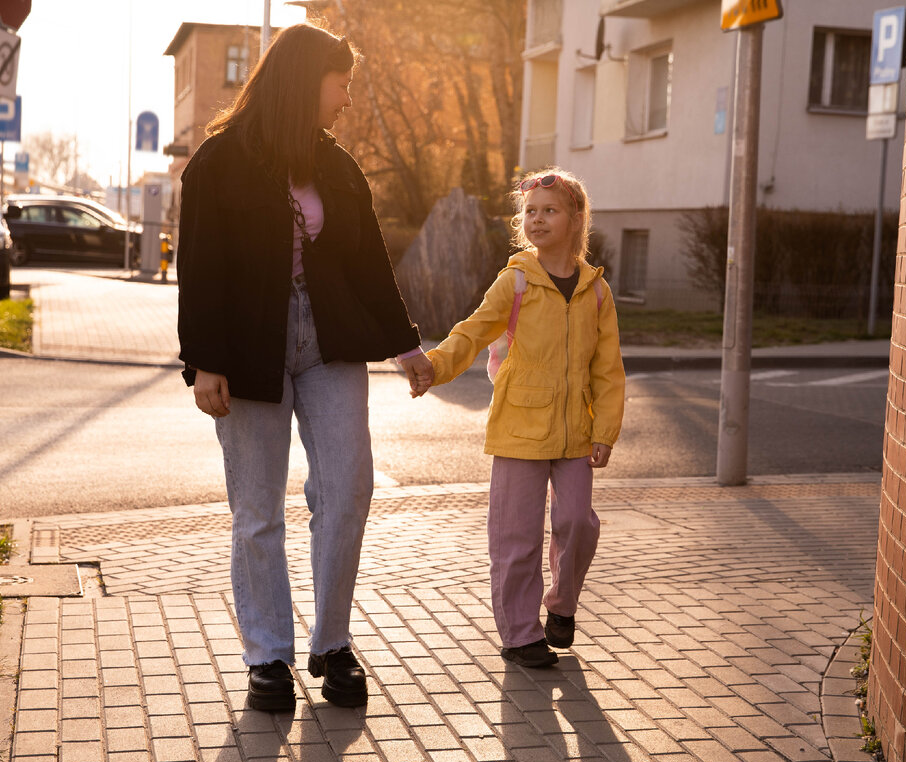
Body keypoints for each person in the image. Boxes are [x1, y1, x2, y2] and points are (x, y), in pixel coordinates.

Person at [176, 22, 433, 711]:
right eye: (340, 83)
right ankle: (267, 656)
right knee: (257, 510)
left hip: (329, 345)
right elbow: (198, 270)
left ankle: (332, 643)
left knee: (348, 489)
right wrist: (204, 362)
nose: (347, 99)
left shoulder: (337, 168)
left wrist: (407, 344)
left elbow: (370, 265)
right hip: (247, 350)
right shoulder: (220, 162)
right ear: (303, 81)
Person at [419, 169, 625, 668]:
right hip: (516, 429)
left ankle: (561, 603)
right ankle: (520, 635)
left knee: (578, 523)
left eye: (549, 210)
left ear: (576, 220)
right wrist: (434, 366)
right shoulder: (515, 282)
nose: (537, 219)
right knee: (515, 538)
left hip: (576, 431)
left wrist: (605, 431)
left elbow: (609, 368)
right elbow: (472, 331)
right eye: (530, 212)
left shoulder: (596, 292)